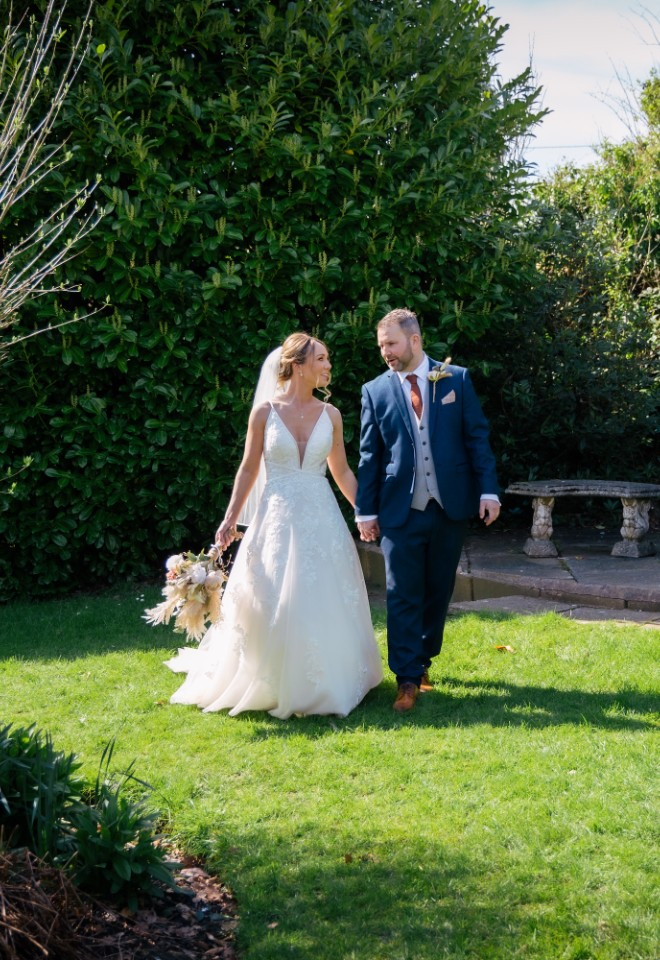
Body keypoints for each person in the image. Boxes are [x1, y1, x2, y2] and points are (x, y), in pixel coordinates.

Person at [165, 333, 383, 719]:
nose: (327, 365)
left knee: (321, 593)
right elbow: (249, 468)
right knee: (271, 593)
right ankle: (267, 676)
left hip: (321, 517)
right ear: (298, 365)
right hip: (276, 517)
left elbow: (342, 470)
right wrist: (230, 519)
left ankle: (330, 678)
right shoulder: (264, 413)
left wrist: (365, 512)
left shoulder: (331, 415)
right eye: (321, 358)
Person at [355, 309, 500, 713]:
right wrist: (365, 511)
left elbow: (477, 439)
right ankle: (405, 677)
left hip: (450, 505)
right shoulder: (375, 390)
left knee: (438, 591)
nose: (386, 352)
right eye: (382, 345)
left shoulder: (456, 379)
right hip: (399, 509)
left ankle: (423, 662)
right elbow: (370, 455)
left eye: (392, 344)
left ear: (414, 340)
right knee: (402, 592)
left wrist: (489, 491)